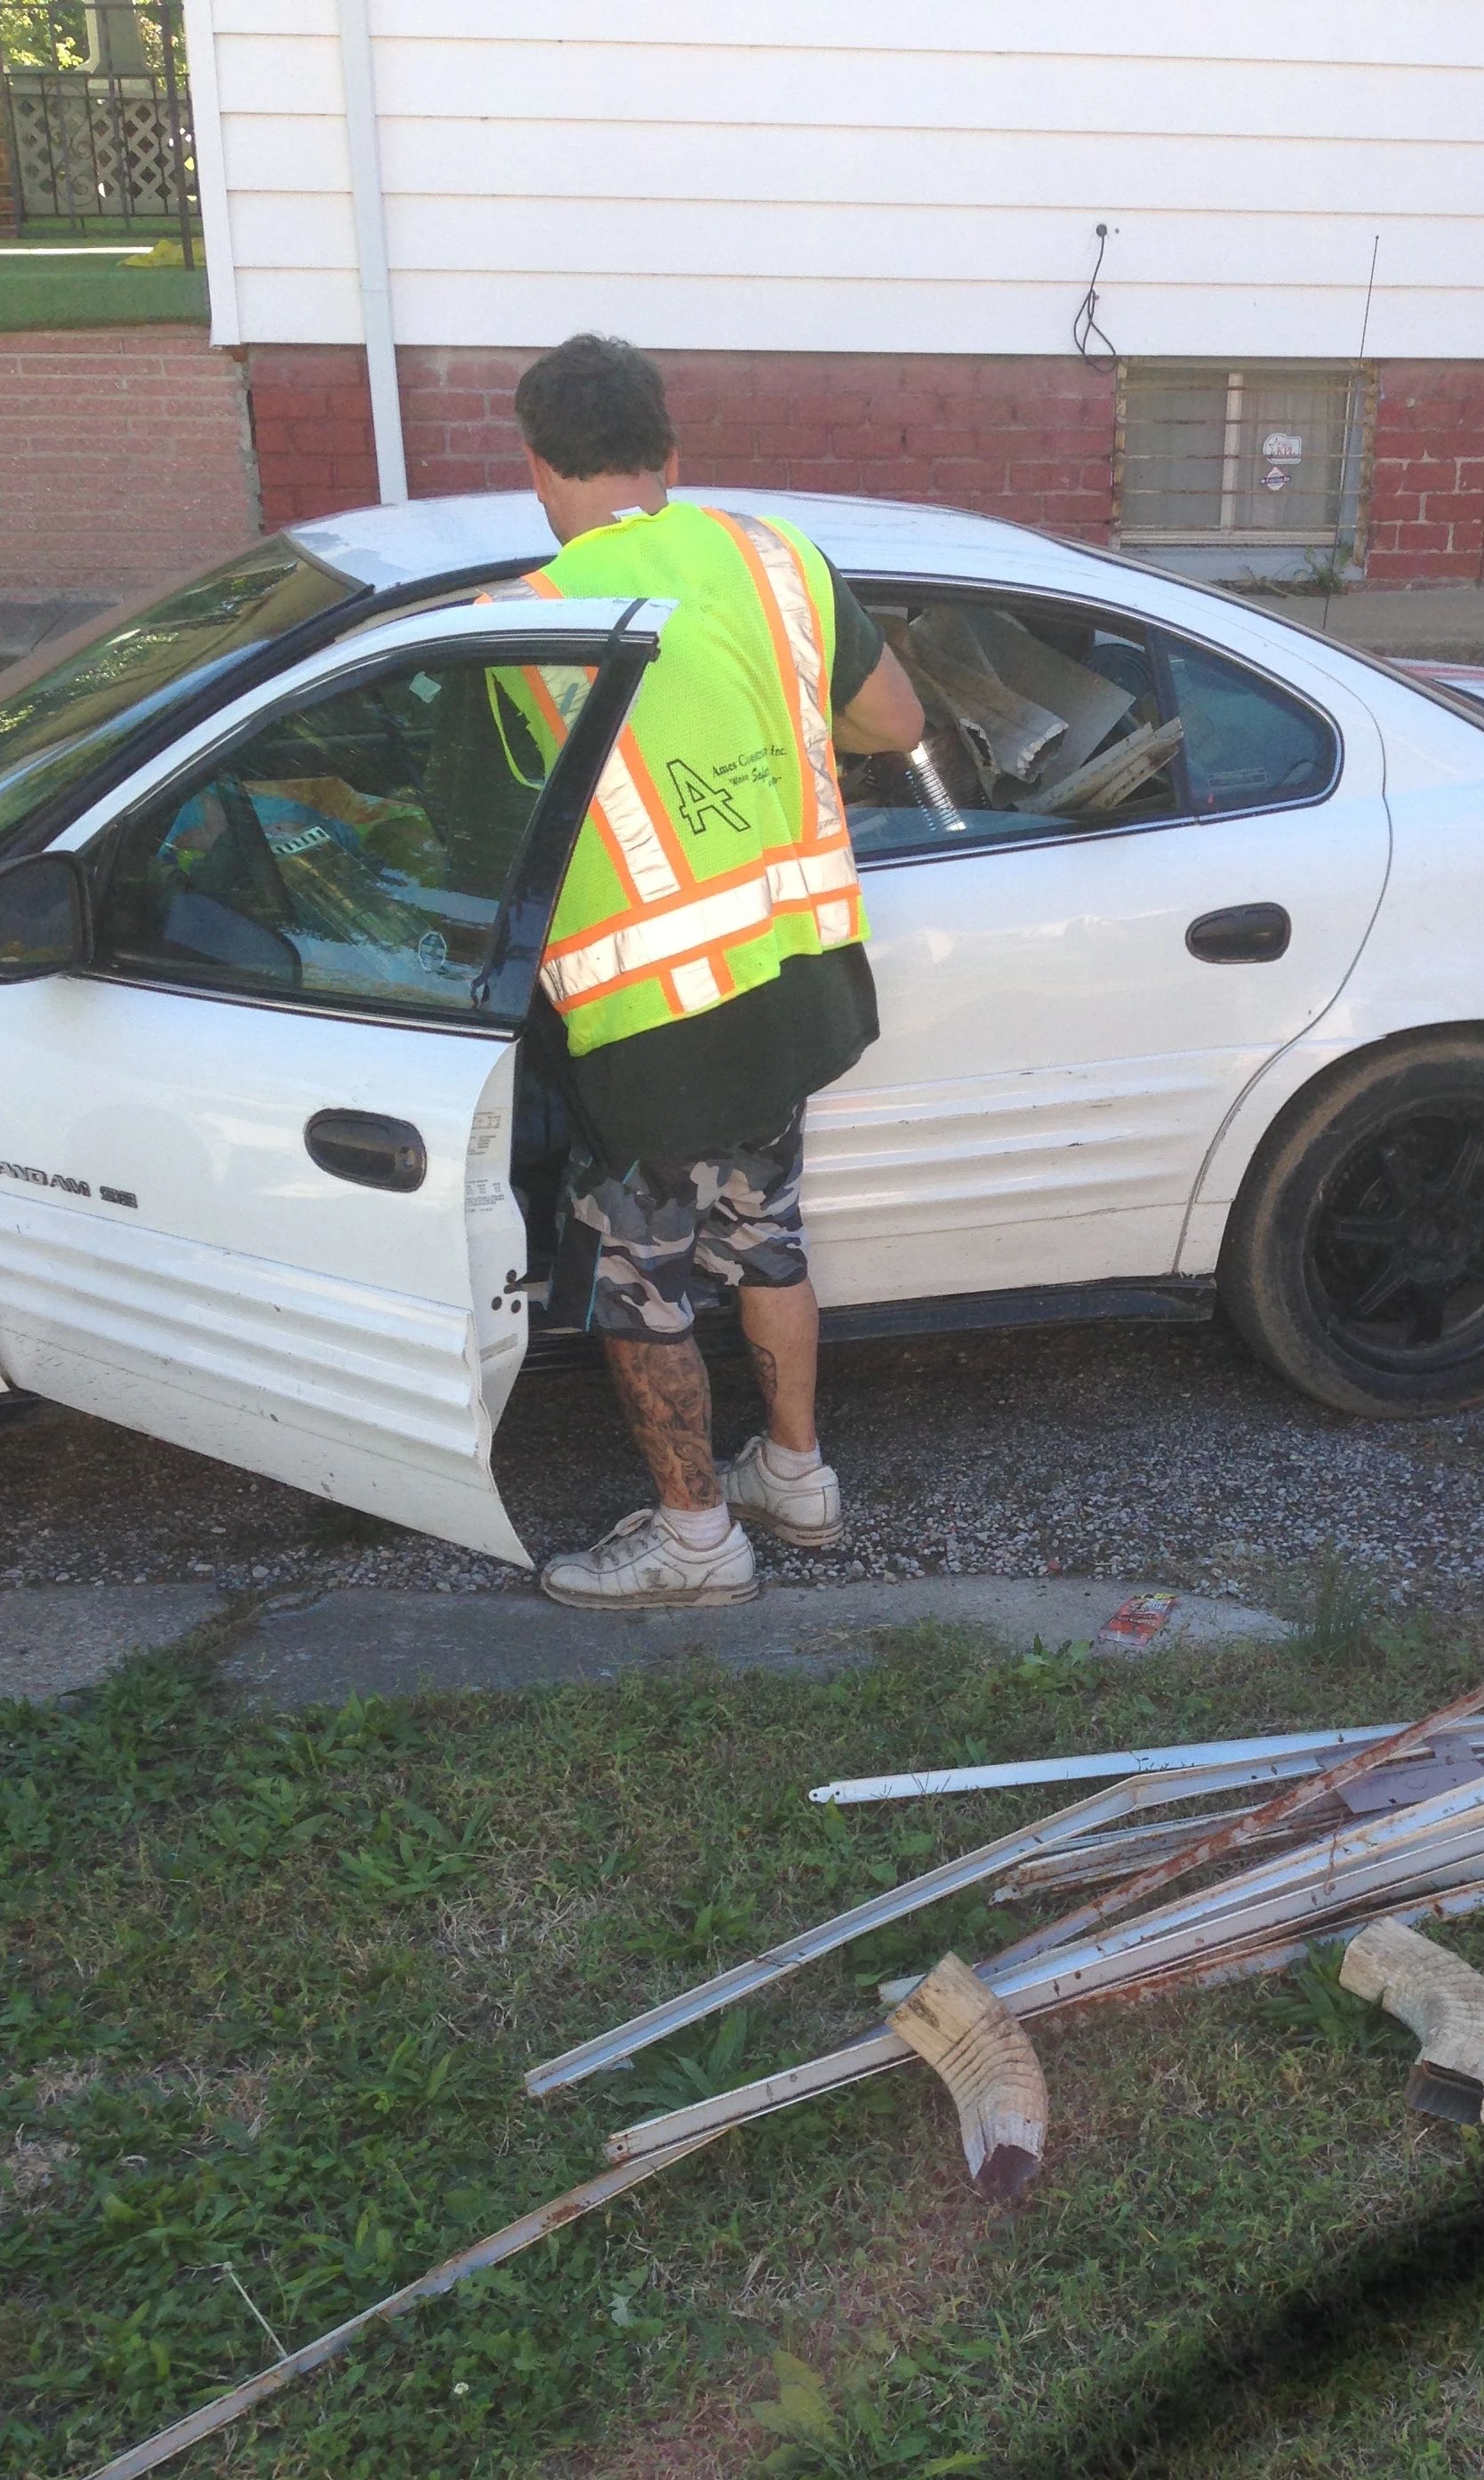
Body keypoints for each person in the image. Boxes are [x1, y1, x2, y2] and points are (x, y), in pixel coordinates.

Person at [509, 336, 925, 1606]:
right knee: (770, 1236)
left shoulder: (525, 623)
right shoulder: (773, 557)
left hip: (653, 1025)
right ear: (670, 456)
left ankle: (697, 1545)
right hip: (794, 989)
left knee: (642, 1280)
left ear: (535, 467)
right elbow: (893, 726)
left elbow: (483, 847)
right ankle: (796, 1480)